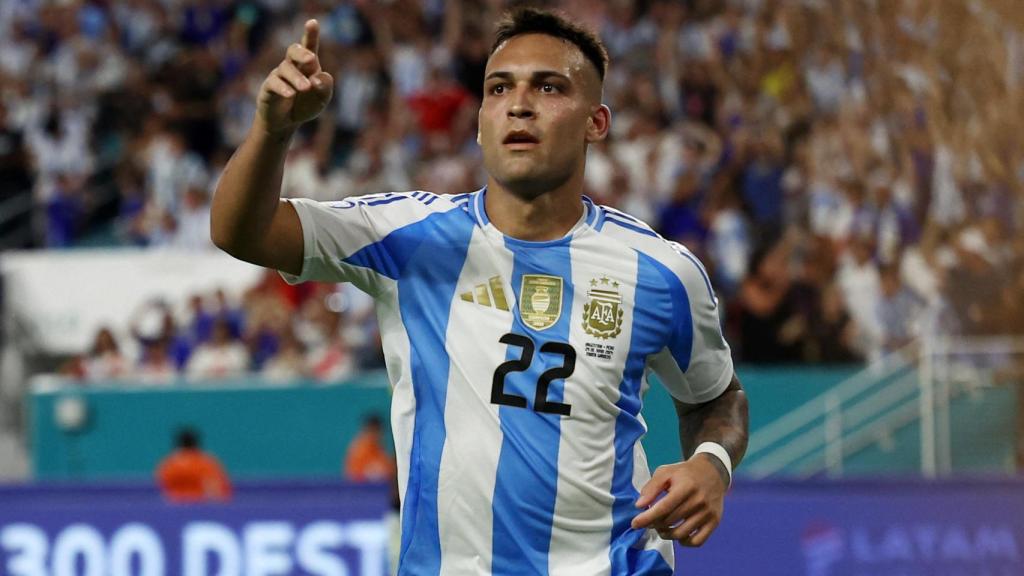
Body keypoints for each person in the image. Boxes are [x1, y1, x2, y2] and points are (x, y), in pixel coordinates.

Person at [211, 8, 748, 575]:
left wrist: (711, 464)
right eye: (499, 88)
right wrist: (273, 130)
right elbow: (240, 231)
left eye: (549, 86)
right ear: (480, 121)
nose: (519, 104)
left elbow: (716, 397)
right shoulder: (407, 237)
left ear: (596, 122)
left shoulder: (661, 271)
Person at [155, 427, 232, 502]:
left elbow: (162, 485)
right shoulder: (206, 462)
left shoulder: (169, 463)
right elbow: (215, 490)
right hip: (200, 507)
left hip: (175, 507)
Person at [344, 414, 396, 483]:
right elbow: (354, 476)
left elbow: (390, 471)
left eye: (378, 431)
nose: (376, 435)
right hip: (361, 491)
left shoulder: (380, 450)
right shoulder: (359, 450)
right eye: (372, 430)